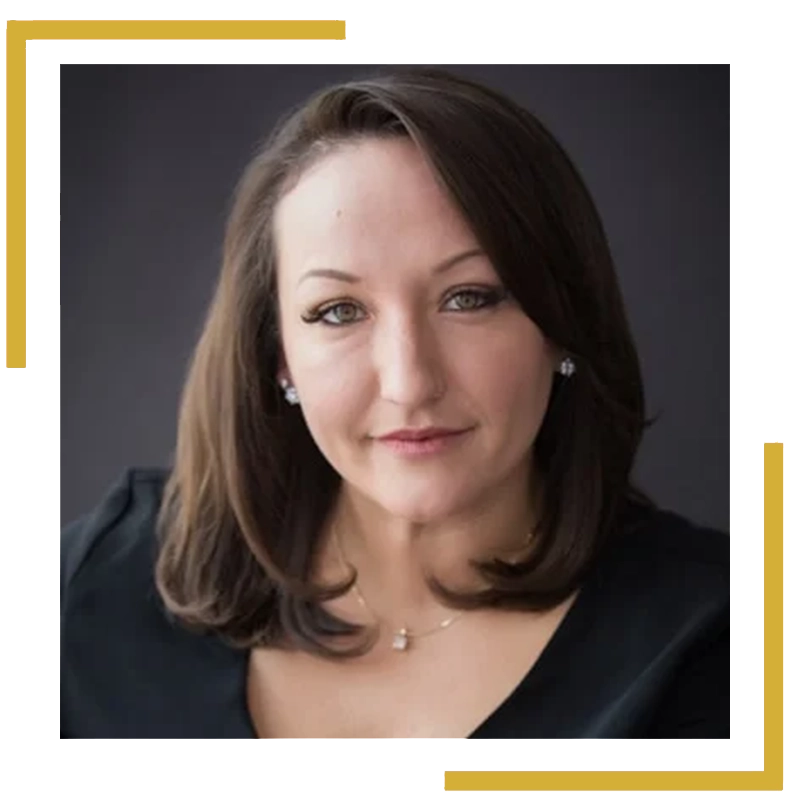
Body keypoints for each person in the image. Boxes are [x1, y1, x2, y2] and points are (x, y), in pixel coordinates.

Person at [57, 68, 734, 743]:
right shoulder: (89, 589)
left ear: (561, 322)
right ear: (278, 355)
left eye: (469, 297)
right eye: (338, 311)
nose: (409, 382)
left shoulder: (727, 639)